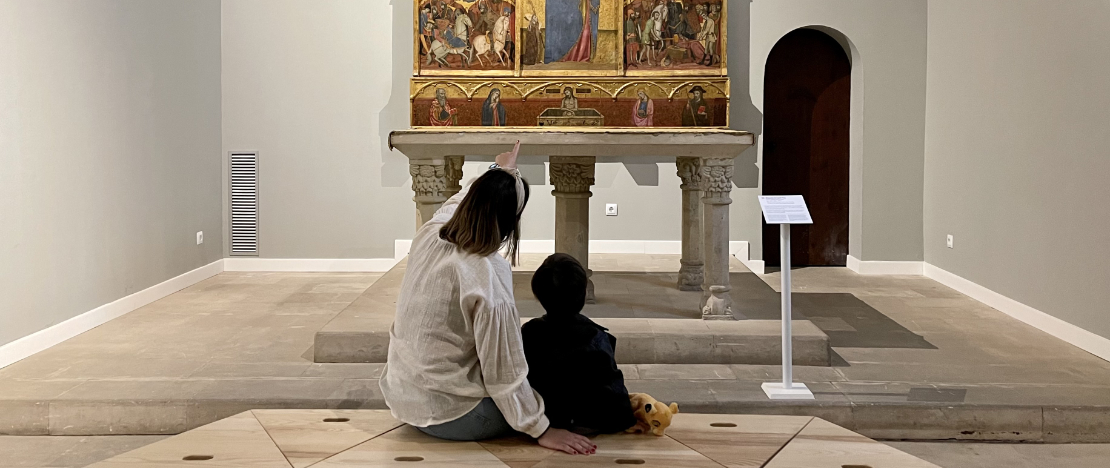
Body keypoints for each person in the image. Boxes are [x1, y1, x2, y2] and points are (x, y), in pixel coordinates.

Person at [381, 142, 597, 456]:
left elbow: (462, 199)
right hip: (453, 415)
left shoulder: (431, 232)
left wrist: (499, 170)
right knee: (555, 382)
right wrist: (542, 428)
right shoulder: (487, 274)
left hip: (404, 396)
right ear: (510, 223)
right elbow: (503, 370)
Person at [522, 254, 637, 436]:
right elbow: (616, 401)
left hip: (544, 420)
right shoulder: (596, 337)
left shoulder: (528, 333)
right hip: (590, 424)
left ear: (537, 293)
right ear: (583, 294)